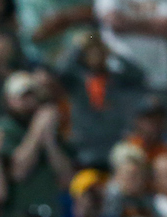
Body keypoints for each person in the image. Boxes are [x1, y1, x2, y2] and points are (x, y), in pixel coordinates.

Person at [0, 73, 73, 217]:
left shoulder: (52, 127)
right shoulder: (3, 129)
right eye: (22, 97)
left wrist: (49, 141)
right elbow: (18, 172)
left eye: (32, 96)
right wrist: (37, 131)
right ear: (8, 100)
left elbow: (67, 177)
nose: (28, 102)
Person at [57, 34, 147, 169]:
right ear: (84, 56)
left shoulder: (116, 79)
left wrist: (114, 52)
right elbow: (61, 70)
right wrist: (79, 46)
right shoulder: (76, 80)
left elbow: (139, 74)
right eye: (91, 53)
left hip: (114, 142)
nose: (96, 57)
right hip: (84, 145)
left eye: (100, 53)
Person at [95, 0, 167, 92]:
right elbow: (116, 23)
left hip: (157, 75)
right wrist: (153, 25)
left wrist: (129, 23)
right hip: (119, 72)